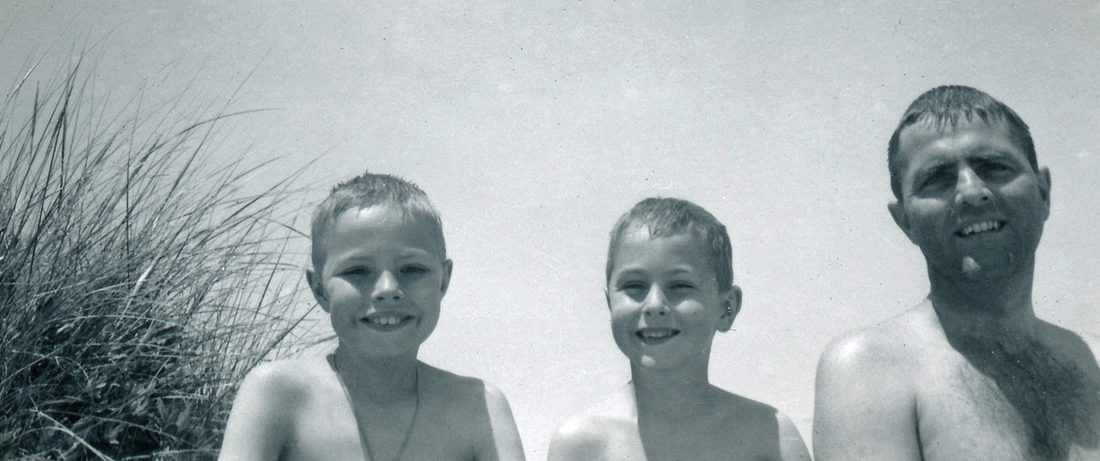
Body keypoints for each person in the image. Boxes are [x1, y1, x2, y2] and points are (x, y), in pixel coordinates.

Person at [813, 86, 1100, 461]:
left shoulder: (1094, 357)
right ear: (905, 223)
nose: (972, 191)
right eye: (937, 178)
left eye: (994, 167)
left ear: (1044, 193)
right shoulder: (871, 368)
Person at [219, 172, 525, 461]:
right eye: (357, 271)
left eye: (412, 269)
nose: (387, 290)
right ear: (320, 290)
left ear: (443, 281)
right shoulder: (279, 394)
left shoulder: (477, 406)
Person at [547, 197, 811, 461]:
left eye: (679, 286)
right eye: (634, 286)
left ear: (726, 308)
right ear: (609, 303)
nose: (654, 305)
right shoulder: (582, 444)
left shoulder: (768, 436)